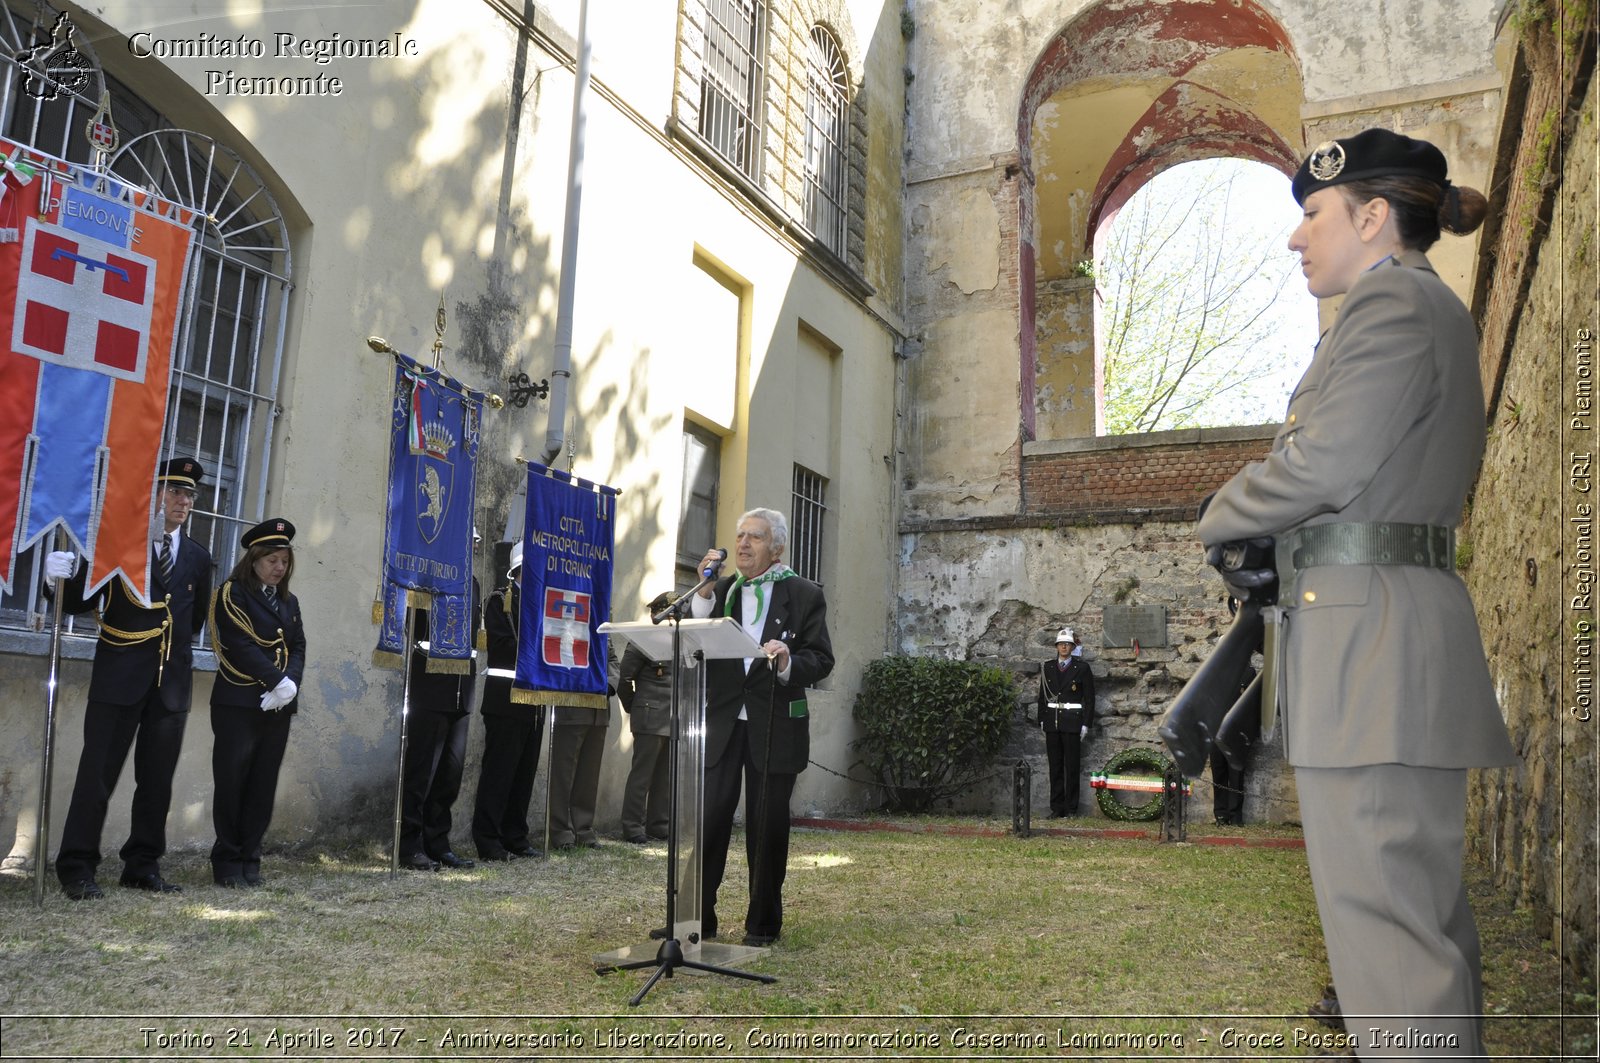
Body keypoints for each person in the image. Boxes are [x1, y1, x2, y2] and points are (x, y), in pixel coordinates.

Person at [1196, 128, 1515, 1059]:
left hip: (1371, 649)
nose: (1298, 239)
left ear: (1372, 218)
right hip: (1386, 636)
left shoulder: (1389, 309)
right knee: (1414, 933)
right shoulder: (1420, 308)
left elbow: (1324, 464)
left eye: (1312, 215)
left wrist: (1220, 510)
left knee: (1391, 948)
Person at [46, 456, 213, 899]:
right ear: (153, 497)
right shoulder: (119, 545)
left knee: (156, 781)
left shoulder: (197, 557)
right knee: (96, 776)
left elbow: (192, 622)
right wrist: (54, 579)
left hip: (170, 685)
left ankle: (142, 864)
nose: (183, 501)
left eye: (189, 495)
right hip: (119, 677)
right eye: (174, 491)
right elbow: (80, 601)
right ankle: (77, 867)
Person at [691, 508, 833, 947]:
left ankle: (763, 923)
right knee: (710, 817)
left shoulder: (804, 593)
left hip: (774, 723)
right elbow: (698, 641)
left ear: (777, 547)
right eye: (739, 535)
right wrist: (703, 594)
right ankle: (697, 918)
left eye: (755, 536)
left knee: (766, 823)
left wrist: (789, 661)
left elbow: (822, 659)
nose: (743, 544)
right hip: (724, 721)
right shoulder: (725, 590)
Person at [207, 517, 306, 887]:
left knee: (263, 784)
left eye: (284, 561)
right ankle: (228, 862)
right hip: (239, 701)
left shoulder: (289, 601)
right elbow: (239, 643)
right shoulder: (232, 594)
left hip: (278, 703)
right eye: (271, 560)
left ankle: (251, 858)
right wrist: (277, 680)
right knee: (233, 783)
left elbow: (298, 645)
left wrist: (289, 685)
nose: (279, 568)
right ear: (253, 560)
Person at [399, 537, 482, 872]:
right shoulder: (427, 578)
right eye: (468, 540)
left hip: (462, 689)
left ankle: (438, 842)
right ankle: (409, 845)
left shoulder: (473, 582)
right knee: (421, 772)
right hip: (431, 685)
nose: (473, 547)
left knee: (449, 774)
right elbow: (415, 628)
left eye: (474, 543)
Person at [471, 542, 544, 860]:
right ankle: (488, 839)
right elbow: (504, 646)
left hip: (535, 700)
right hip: (505, 697)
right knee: (499, 773)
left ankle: (516, 835)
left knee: (524, 772)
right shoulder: (500, 600)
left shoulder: (543, 602)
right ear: (517, 570)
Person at [616, 591, 675, 844]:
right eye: (670, 614)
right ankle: (632, 826)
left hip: (672, 717)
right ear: (657, 613)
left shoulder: (681, 640)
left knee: (664, 776)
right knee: (642, 775)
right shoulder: (642, 639)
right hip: (649, 716)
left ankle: (658, 824)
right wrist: (636, 708)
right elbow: (623, 680)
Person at [1035, 626, 1095, 818]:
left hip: (1072, 721)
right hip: (1053, 721)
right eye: (1061, 644)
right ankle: (1056, 807)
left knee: (1072, 766)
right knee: (1055, 766)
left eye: (1067, 644)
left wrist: (1086, 723)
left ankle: (1071, 808)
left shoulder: (1082, 668)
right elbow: (1042, 696)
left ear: (1072, 647)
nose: (1064, 648)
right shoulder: (1048, 667)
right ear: (1056, 646)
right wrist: (1042, 719)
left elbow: (1090, 698)